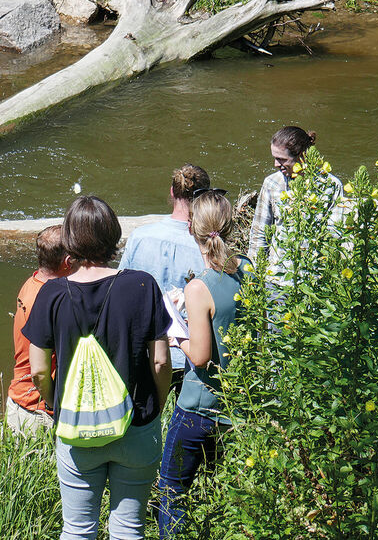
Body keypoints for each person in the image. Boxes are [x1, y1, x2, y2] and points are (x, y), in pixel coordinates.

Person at [26, 196, 172, 540]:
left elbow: (38, 372)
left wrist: (54, 405)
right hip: (136, 424)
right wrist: (158, 406)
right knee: (129, 529)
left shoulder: (50, 293)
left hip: (76, 427)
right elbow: (161, 361)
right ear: (114, 234)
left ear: (70, 240)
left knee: (77, 530)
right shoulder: (142, 285)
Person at [157, 189, 250, 538]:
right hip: (239, 404)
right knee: (223, 489)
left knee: (172, 489)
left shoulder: (199, 286)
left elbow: (199, 356)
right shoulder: (248, 270)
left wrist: (173, 331)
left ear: (192, 230)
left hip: (199, 407)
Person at [119, 163, 210, 375]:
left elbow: (122, 290)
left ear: (171, 192)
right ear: (204, 198)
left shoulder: (139, 236)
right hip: (188, 354)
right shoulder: (206, 245)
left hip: (146, 351)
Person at [6, 225, 69, 435]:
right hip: (36, 411)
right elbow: (39, 371)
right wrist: (52, 405)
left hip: (17, 401)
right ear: (67, 262)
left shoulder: (31, 283)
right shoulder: (50, 300)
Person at [248, 126, 343, 265]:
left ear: (302, 156)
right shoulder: (272, 183)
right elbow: (259, 233)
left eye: (281, 159)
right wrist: (254, 272)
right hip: (277, 276)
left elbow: (334, 235)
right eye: (274, 158)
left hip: (314, 275)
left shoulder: (331, 186)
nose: (275, 164)